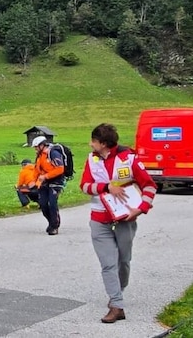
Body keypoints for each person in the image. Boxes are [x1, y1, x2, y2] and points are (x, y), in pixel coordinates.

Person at [79, 123, 157, 324]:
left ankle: (118, 291)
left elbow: (149, 186)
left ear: (103, 143)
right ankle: (116, 305)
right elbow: (85, 186)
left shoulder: (128, 158)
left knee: (123, 261)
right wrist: (106, 187)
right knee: (108, 263)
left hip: (125, 220)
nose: (90, 144)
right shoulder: (92, 159)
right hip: (99, 219)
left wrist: (140, 208)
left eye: (93, 141)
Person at [32, 135, 65, 235]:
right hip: (44, 183)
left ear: (42, 145)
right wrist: (34, 181)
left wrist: (46, 176)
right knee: (43, 204)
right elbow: (37, 170)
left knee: (52, 204)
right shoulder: (39, 156)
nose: (35, 149)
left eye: (36, 147)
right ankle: (51, 223)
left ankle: (54, 226)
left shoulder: (53, 153)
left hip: (56, 182)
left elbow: (60, 168)